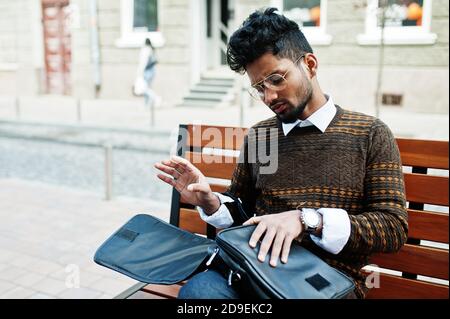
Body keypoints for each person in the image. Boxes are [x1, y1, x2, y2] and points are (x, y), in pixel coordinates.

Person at [154, 7, 408, 299]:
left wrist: (307, 220)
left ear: (310, 65)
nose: (269, 97)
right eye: (259, 88)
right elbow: (242, 210)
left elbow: (393, 227)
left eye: (276, 79)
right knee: (200, 294)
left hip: (323, 284)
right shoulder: (261, 136)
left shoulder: (370, 133)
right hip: (253, 271)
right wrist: (211, 203)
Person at [134, 38, 160, 108]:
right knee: (147, 87)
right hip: (152, 70)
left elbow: (143, 63)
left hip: (147, 71)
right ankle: (146, 104)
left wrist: (140, 72)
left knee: (144, 88)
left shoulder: (146, 50)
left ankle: (156, 98)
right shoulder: (152, 49)